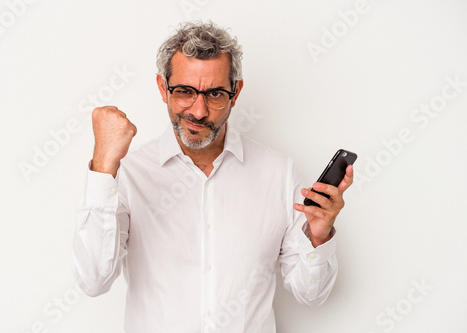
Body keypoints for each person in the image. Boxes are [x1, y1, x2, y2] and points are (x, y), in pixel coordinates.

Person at [72, 20, 354, 332]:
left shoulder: (277, 172)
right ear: (162, 88)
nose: (199, 110)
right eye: (184, 91)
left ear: (236, 93)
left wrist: (318, 236)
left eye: (215, 94)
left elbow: (311, 294)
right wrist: (103, 167)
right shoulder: (128, 173)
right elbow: (93, 280)